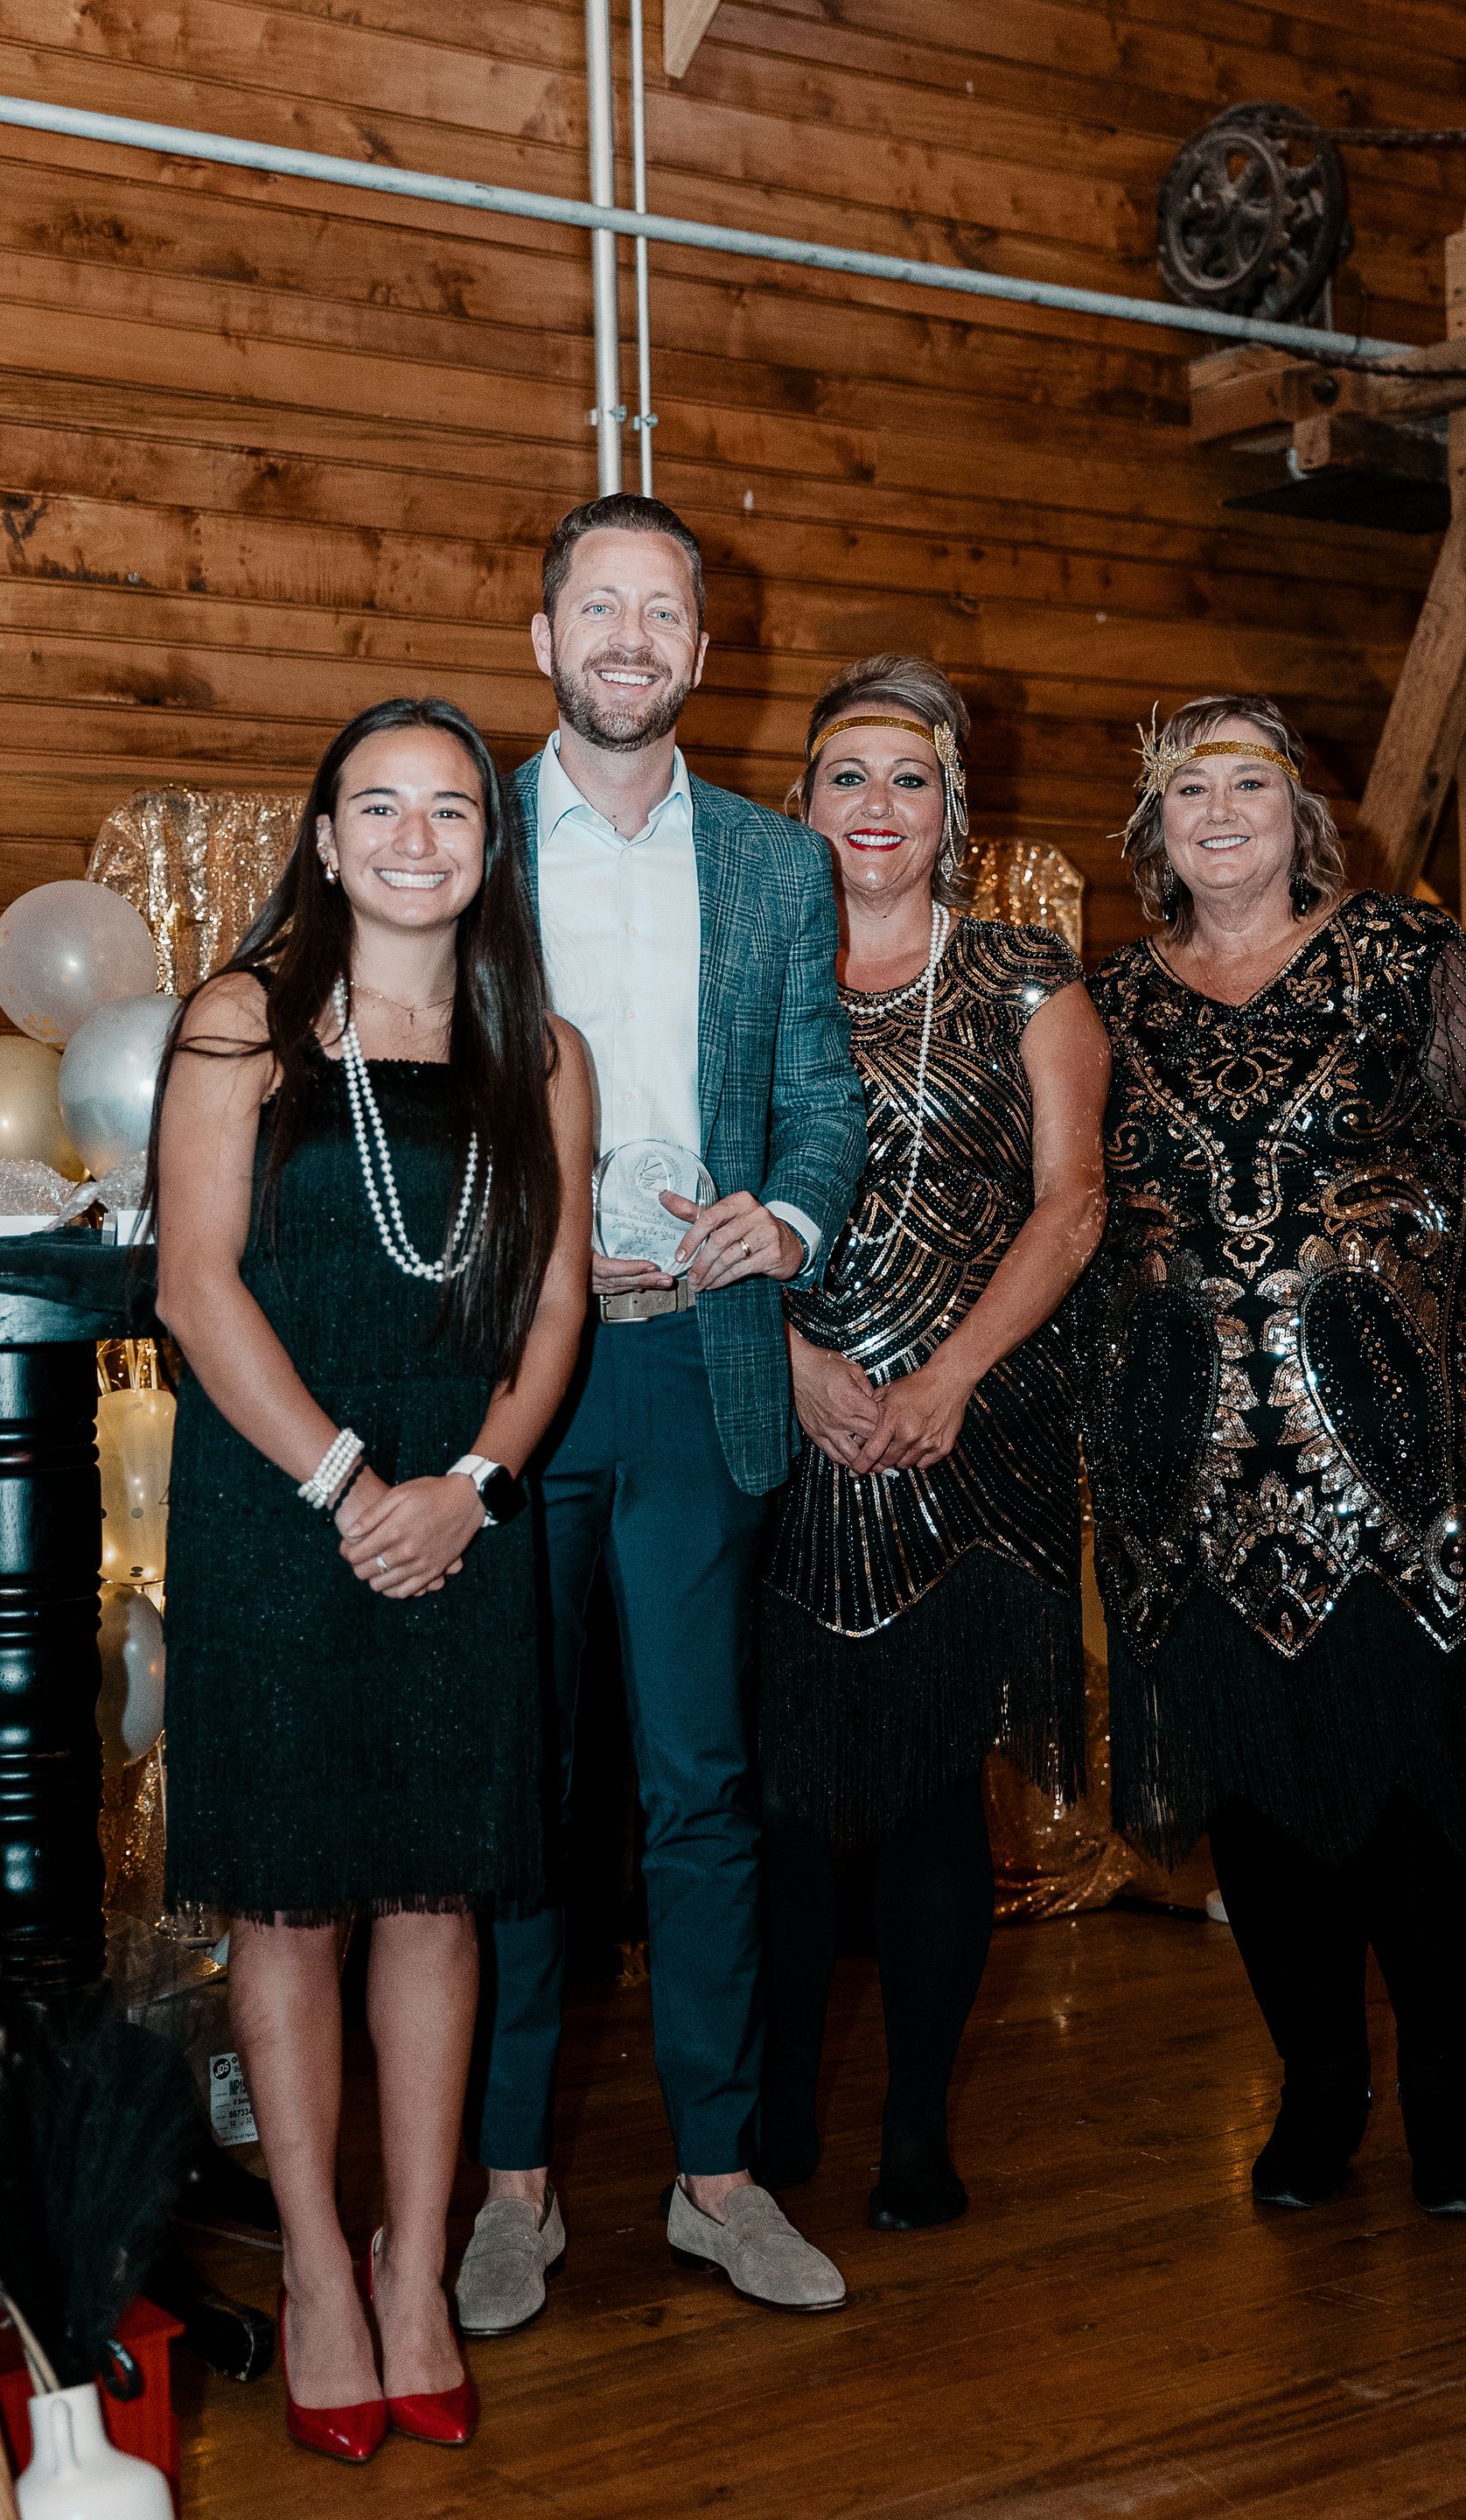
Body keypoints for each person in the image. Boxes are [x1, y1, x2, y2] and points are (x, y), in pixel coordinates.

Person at [1075, 693, 1466, 2218]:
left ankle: (1443, 2092)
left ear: (1301, 814)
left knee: (1430, 1794)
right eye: (1188, 790)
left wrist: (1403, 1262)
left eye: (1249, 782)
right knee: (1262, 1800)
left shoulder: (1407, 961)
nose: (1220, 810)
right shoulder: (1107, 1003)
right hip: (1196, 1472)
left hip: (1404, 1464)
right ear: (1155, 830)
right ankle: (1317, 2088)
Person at [155, 696, 593, 2460]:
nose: (418, 839)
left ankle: (421, 2267)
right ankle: (323, 2277)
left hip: (465, 1506)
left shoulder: (540, 1052)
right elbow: (195, 1288)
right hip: (281, 1501)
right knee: (291, 1902)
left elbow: (556, 1303)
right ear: (327, 842)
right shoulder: (241, 1020)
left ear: (491, 847)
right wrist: (349, 1483)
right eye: (380, 808)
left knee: (435, 1898)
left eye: (452, 810)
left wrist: (471, 1488)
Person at [456, 493, 867, 2331]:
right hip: (512, 1380)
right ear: (546, 640)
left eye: (663, 613)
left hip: (702, 1371)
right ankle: (509, 2191)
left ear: (702, 649)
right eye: (599, 608)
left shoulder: (778, 866)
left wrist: (784, 1218)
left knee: (703, 1791)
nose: (632, 639)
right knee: (519, 1793)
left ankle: (719, 2177)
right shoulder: (464, 843)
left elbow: (823, 1102)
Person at [755, 655, 1108, 2230]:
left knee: (926, 1795)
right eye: (849, 776)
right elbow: (671, 1177)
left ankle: (913, 2129)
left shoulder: (1027, 974)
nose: (877, 806)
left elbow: (1072, 1204)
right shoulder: (748, 967)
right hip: (779, 1426)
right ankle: (772, 2123)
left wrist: (950, 1377)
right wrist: (785, 1365)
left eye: (910, 779)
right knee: (775, 1800)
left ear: (952, 809)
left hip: (971, 1434)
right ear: (803, 802)